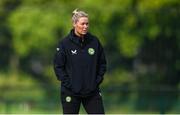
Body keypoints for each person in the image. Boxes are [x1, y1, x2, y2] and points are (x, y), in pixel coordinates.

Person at [53, 9, 107, 114]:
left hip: (92, 92)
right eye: (82, 24)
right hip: (71, 92)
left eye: (87, 24)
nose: (85, 26)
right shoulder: (64, 44)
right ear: (74, 24)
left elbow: (102, 64)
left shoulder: (94, 42)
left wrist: (96, 81)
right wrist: (70, 84)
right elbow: (58, 67)